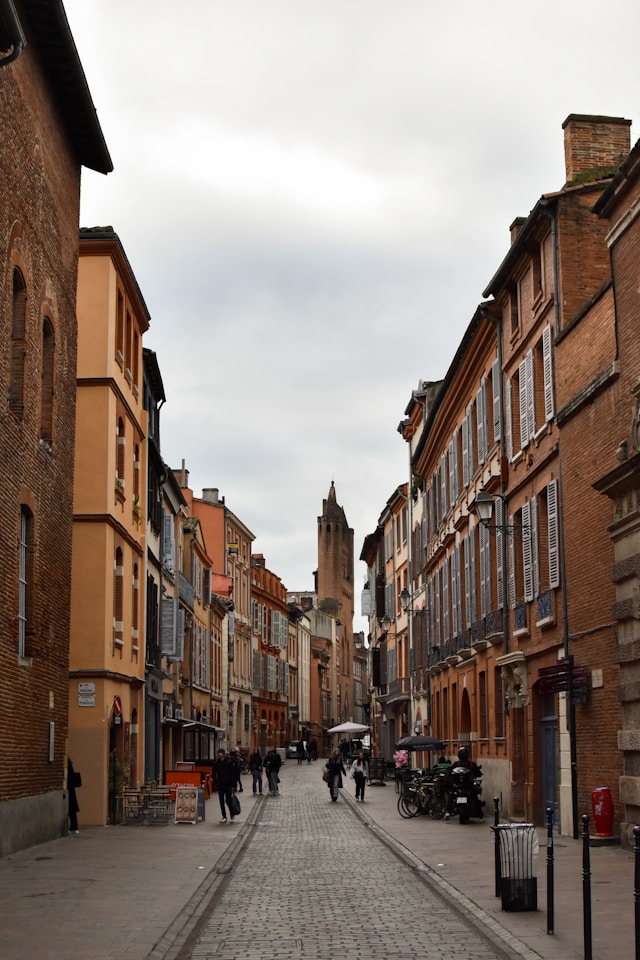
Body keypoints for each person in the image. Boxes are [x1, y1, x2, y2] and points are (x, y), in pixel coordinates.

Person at [213, 749, 237, 823]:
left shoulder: (229, 762)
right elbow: (214, 773)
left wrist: (234, 786)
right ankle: (224, 816)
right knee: (221, 801)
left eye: (220, 753)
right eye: (218, 753)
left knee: (228, 800)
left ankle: (231, 812)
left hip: (228, 785)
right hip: (220, 785)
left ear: (223, 754)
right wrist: (216, 782)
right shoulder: (216, 763)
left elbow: (233, 774)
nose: (219, 754)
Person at [67, 758, 80, 834]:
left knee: (71, 810)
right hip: (71, 791)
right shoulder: (70, 766)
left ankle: (74, 827)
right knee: (72, 810)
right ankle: (74, 826)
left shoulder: (67, 767)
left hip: (69, 790)